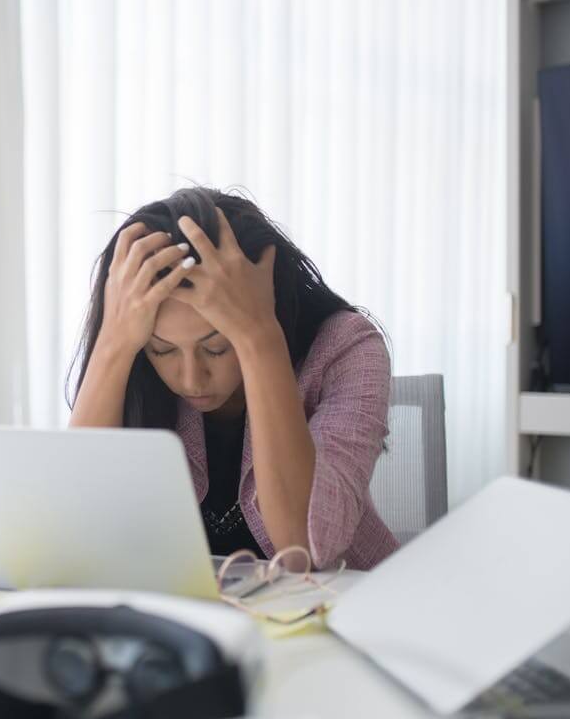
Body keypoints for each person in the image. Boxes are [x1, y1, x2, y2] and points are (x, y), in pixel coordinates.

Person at [67, 187, 398, 570]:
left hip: (336, 611)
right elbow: (77, 527)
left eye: (217, 348)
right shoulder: (133, 358)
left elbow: (304, 549)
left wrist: (259, 336)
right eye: (163, 350)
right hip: (195, 615)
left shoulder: (347, 347)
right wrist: (114, 343)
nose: (192, 379)